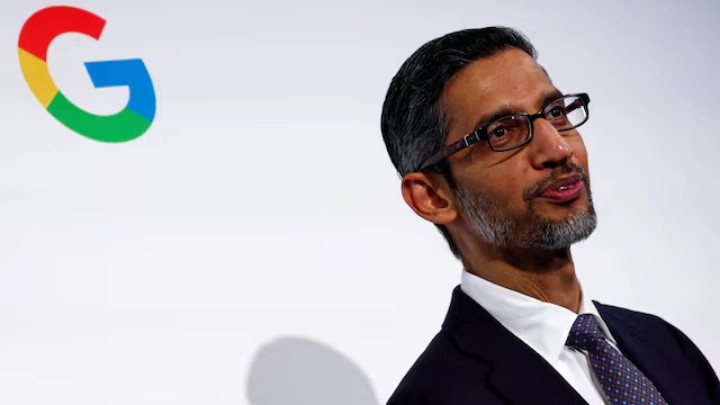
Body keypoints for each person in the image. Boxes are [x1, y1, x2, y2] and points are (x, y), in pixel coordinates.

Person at [380, 27, 720, 405]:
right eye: (502, 131)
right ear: (432, 196)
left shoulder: (665, 344)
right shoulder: (436, 397)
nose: (558, 148)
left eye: (556, 113)